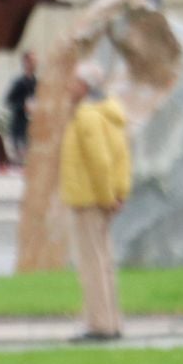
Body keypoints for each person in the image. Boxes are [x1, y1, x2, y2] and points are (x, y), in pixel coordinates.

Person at [59, 61, 130, 342]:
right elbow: (119, 157)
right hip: (102, 199)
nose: (68, 86)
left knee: (92, 265)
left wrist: (106, 197)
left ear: (85, 86)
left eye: (73, 81)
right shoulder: (109, 112)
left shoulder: (87, 115)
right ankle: (111, 322)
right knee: (104, 262)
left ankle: (99, 325)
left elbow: (99, 161)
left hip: (90, 200)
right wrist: (117, 194)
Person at [3, 51, 39, 164]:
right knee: (19, 160)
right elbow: (8, 101)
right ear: (26, 62)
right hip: (19, 128)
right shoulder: (19, 82)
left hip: (32, 127)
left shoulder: (36, 82)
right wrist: (23, 106)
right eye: (33, 61)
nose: (35, 63)